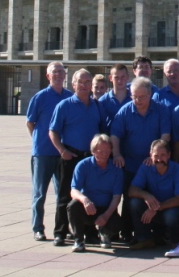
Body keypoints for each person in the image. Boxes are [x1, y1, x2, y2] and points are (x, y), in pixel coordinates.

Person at [48, 68, 109, 246]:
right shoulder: (64, 105)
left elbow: (103, 129)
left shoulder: (97, 106)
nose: (83, 85)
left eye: (87, 82)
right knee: (65, 196)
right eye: (80, 82)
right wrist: (62, 151)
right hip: (69, 155)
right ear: (73, 84)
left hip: (91, 159)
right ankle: (60, 231)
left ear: (91, 85)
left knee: (89, 195)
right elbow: (53, 131)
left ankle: (89, 233)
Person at [110, 76, 172, 242]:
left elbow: (165, 135)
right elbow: (115, 135)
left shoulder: (161, 110)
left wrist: (155, 156)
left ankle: (157, 233)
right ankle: (128, 232)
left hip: (154, 165)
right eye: (134, 96)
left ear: (150, 94)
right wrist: (116, 154)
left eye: (141, 97)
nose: (137, 100)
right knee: (131, 200)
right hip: (131, 164)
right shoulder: (125, 111)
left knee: (155, 199)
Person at [26, 61, 72, 241]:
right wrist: (39, 142)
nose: (59, 75)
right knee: (39, 193)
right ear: (48, 76)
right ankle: (38, 228)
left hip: (63, 153)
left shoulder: (69, 96)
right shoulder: (40, 97)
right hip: (44, 153)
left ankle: (63, 226)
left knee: (63, 194)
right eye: (55, 72)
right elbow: (30, 123)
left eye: (61, 71)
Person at [67, 134, 124, 252]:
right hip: (88, 207)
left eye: (108, 151)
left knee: (117, 223)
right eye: (101, 151)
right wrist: (85, 200)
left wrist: (106, 215)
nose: (104, 154)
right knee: (72, 206)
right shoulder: (82, 165)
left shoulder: (116, 169)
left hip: (106, 208)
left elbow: (117, 197)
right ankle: (78, 240)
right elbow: (74, 190)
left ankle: (105, 234)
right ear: (93, 151)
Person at [128, 139, 179, 250]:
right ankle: (144, 239)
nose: (159, 159)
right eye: (156, 156)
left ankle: (175, 241)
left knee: (172, 216)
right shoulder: (145, 167)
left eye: (163, 155)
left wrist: (156, 208)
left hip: (173, 209)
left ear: (169, 155)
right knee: (134, 203)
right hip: (154, 210)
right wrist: (146, 195)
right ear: (150, 155)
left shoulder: (178, 170)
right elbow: (132, 190)